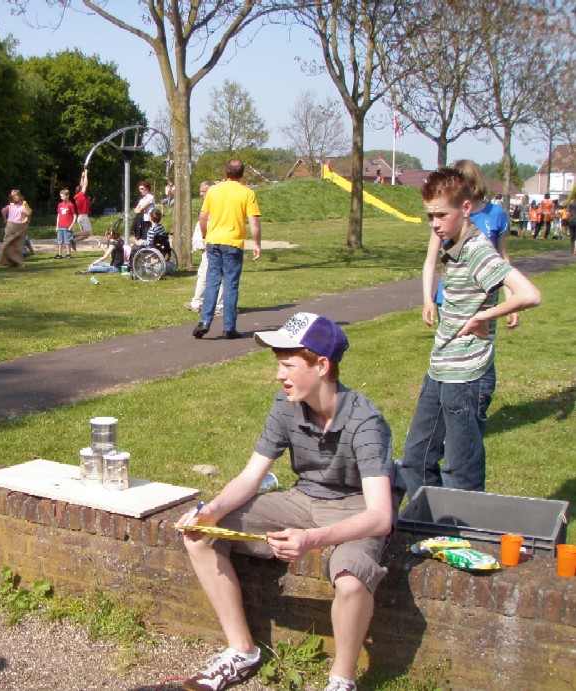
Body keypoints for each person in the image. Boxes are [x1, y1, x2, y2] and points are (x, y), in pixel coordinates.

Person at [181, 313, 396, 691]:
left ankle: (342, 681)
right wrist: (212, 510)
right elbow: (251, 477)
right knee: (198, 535)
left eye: (288, 365)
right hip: (300, 500)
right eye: (278, 365)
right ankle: (241, 651)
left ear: (322, 365)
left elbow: (380, 517)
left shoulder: (366, 421)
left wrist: (312, 540)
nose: (279, 375)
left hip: (354, 511)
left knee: (349, 581)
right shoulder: (285, 406)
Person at [400, 169, 541, 502]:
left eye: (440, 215)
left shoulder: (477, 250)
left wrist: (484, 315)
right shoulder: (454, 246)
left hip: (467, 375)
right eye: (429, 216)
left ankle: (465, 535)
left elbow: (529, 294)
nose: (434, 223)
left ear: (465, 209)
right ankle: (431, 525)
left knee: (460, 470)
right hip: (441, 368)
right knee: (416, 459)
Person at [422, 160, 519, 329]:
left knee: (477, 349)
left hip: (482, 299)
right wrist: (427, 299)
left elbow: (503, 260)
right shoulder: (443, 218)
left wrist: (511, 300)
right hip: (450, 297)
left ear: (473, 186)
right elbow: (430, 262)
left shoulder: (495, 214)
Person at [193, 159, 261, 340]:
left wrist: (206, 236)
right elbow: (253, 221)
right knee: (231, 284)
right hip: (233, 242)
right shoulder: (247, 193)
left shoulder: (213, 190)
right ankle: (229, 327)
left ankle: (205, 321)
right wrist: (257, 244)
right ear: (242, 174)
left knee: (212, 280)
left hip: (214, 241)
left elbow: (203, 216)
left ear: (226, 172)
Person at [186, 181, 223, 316]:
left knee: (212, 274)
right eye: (200, 191)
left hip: (212, 245)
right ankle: (198, 302)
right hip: (206, 246)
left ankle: (219, 305)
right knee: (203, 274)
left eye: (204, 191)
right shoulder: (208, 204)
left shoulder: (216, 205)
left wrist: (206, 238)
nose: (201, 194)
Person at [0, 190, 32, 269]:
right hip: (17, 226)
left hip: (9, 226)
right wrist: (28, 219)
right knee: (17, 245)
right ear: (20, 200)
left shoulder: (10, 207)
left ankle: (2, 258)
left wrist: (5, 219)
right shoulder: (22, 207)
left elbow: (3, 211)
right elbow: (29, 213)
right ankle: (18, 261)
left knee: (7, 242)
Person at [54, 188, 77, 259]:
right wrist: (57, 226)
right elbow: (58, 215)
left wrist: (71, 225)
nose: (61, 197)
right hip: (60, 225)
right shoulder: (60, 205)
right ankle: (59, 254)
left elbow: (75, 215)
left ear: (67, 196)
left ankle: (68, 254)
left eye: (62, 196)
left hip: (67, 226)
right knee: (59, 241)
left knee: (67, 241)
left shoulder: (71, 205)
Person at [73, 170, 93, 248]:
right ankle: (72, 235)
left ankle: (74, 241)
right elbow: (85, 184)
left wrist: (83, 176)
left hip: (81, 217)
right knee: (89, 232)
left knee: (86, 235)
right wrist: (87, 173)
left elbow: (81, 185)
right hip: (83, 217)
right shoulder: (81, 195)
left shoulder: (77, 196)